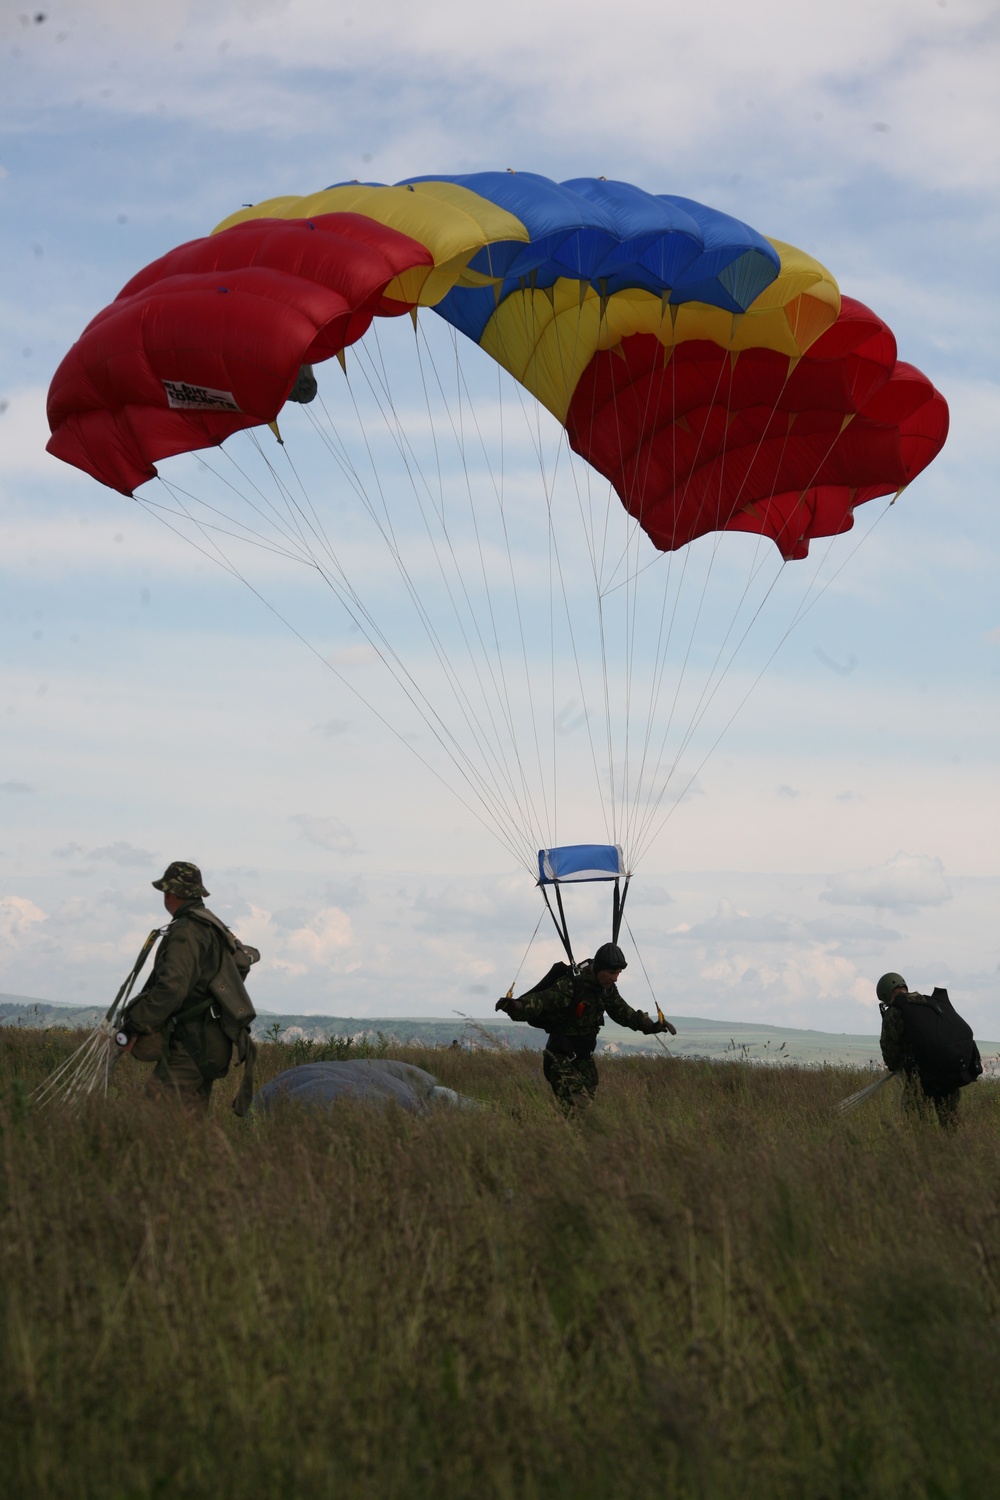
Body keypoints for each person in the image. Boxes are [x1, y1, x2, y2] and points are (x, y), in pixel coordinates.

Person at [120, 861, 259, 1112]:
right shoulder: (211, 924)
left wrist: (134, 1025)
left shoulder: (187, 931)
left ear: (170, 893)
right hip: (208, 1042)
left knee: (151, 1120)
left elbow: (171, 989)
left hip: (192, 1043)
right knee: (188, 1129)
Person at [496, 942, 676, 1112]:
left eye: (618, 973)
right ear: (598, 969)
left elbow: (625, 1013)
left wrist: (652, 1026)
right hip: (560, 1059)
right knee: (581, 1108)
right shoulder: (573, 985)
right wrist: (516, 1006)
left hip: (583, 1061)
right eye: (612, 973)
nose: (615, 978)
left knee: (577, 1112)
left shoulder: (607, 989)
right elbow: (542, 1001)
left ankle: (541, 1129)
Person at [876, 971, 982, 1129]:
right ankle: (957, 1151)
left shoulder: (896, 1010)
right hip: (948, 1070)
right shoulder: (929, 1002)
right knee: (951, 1122)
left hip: (921, 1077)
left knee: (918, 1123)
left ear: (885, 994)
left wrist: (895, 1065)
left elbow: (890, 1049)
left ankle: (926, 1151)